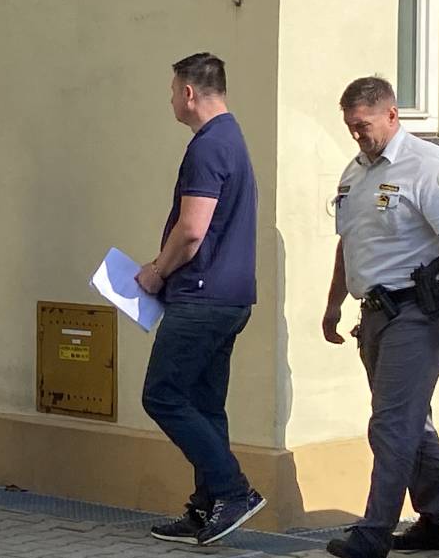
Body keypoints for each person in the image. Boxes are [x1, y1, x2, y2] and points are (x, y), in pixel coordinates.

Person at [322, 77, 439, 558]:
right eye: (350, 126)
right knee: (412, 420)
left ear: (392, 115)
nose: (357, 135)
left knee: (390, 425)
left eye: (363, 125)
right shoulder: (355, 172)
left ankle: (373, 534)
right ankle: (437, 521)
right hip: (374, 313)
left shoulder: (427, 166)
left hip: (418, 312)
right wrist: (333, 304)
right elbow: (349, 243)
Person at [135, 52, 265, 547]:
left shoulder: (208, 146)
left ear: (189, 93)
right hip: (230, 297)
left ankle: (233, 491)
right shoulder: (232, 138)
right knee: (206, 405)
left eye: (173, 91)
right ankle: (207, 505)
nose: (170, 99)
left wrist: (156, 272)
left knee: (162, 395)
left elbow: (192, 230)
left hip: (202, 297)